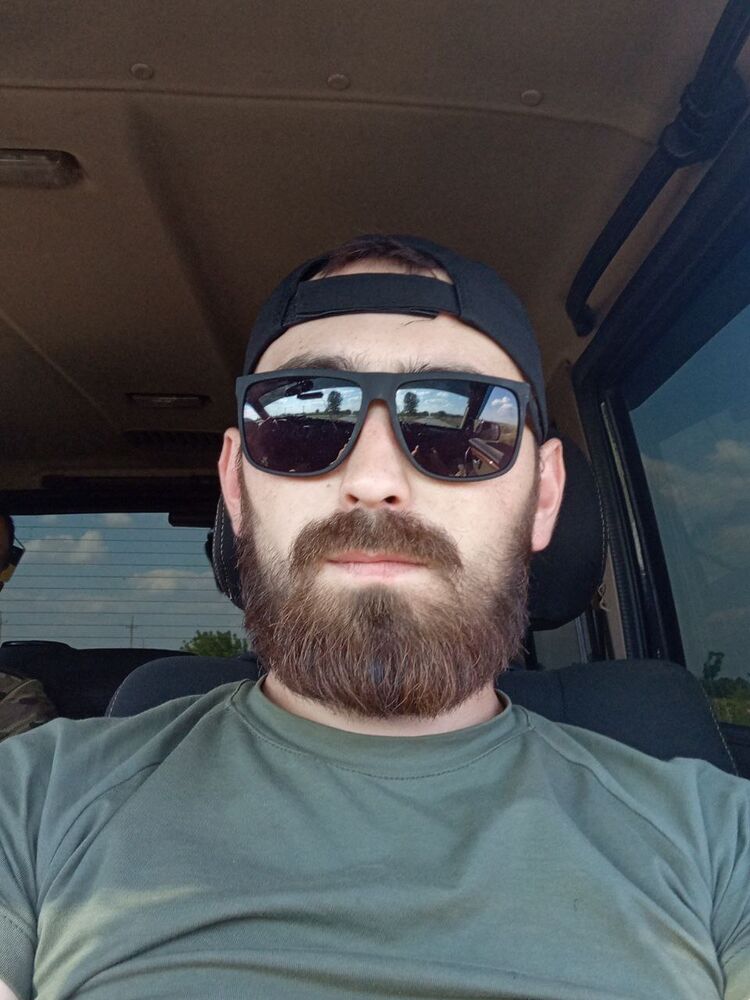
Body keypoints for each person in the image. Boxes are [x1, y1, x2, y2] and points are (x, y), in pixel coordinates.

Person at [0, 236, 748, 1000]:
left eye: (458, 422)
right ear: (235, 486)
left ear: (545, 495)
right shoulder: (32, 803)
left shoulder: (719, 841)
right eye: (301, 418)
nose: (374, 478)